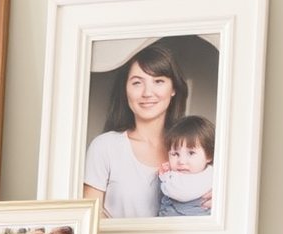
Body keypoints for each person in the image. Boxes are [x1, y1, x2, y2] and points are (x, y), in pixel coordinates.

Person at [83, 43, 188, 218]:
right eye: (137, 83)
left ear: (173, 89)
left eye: (159, 81)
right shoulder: (105, 147)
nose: (148, 92)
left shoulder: (193, 148)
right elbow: (89, 218)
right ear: (125, 90)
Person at [158, 115, 215, 217]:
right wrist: (165, 175)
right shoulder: (172, 176)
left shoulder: (215, 180)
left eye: (191, 153)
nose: (182, 161)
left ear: (209, 155)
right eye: (175, 154)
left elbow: (182, 193)